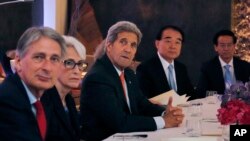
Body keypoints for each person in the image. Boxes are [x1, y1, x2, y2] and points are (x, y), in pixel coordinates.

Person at [80, 21, 184, 141]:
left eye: (133, 45)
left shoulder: (128, 73)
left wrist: (165, 111)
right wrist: (163, 121)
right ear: (109, 46)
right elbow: (120, 122)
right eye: (123, 42)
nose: (128, 49)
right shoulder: (98, 78)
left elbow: (142, 104)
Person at [0, 26, 66, 141]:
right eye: (39, 57)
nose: (48, 68)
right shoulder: (6, 101)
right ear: (19, 61)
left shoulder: (46, 94)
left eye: (54, 59)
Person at [41, 35, 87, 141]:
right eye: (69, 63)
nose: (76, 70)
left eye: (80, 64)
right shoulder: (44, 100)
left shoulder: (68, 100)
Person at [136, 25, 195, 100]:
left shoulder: (181, 68)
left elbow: (191, 95)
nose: (173, 46)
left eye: (177, 42)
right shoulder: (145, 68)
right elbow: (144, 101)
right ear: (157, 44)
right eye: (168, 41)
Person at [196, 30, 250, 98]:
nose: (226, 48)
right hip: (216, 106)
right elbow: (201, 93)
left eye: (229, 45)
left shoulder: (245, 66)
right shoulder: (207, 67)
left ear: (234, 46)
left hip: (240, 105)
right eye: (222, 45)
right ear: (216, 47)